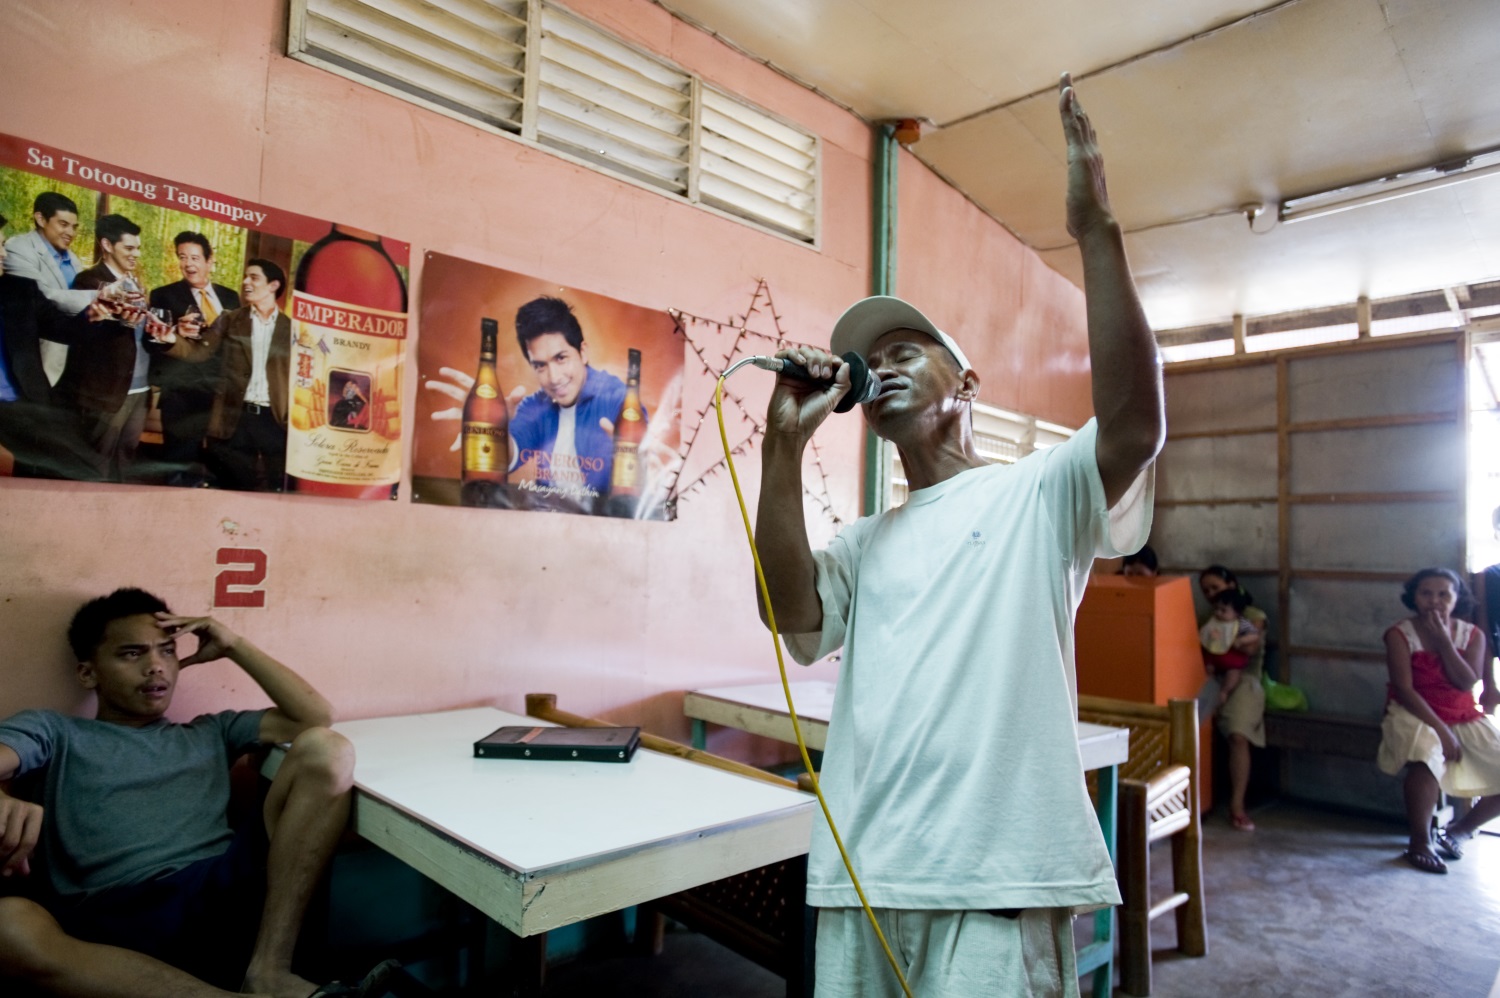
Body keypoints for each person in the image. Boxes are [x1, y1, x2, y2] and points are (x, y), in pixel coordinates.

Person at [753, 74, 1162, 997]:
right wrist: (785, 443)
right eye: (876, 358)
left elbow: (1135, 426)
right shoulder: (868, 541)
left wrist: (1096, 234)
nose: (886, 367)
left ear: (967, 385)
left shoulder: (1040, 493)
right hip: (867, 875)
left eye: (910, 352)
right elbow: (791, 609)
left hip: (997, 881)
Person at [0, 587, 367, 997]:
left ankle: (269, 970)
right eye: (132, 654)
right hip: (116, 914)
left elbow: (315, 716)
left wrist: (234, 645)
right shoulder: (56, 732)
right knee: (8, 922)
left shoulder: (209, 732)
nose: (156, 667)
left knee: (326, 749)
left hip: (222, 891)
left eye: (168, 651)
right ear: (88, 673)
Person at [1377, 568, 1500, 874]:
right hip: (1412, 710)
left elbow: (1465, 682)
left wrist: (1444, 642)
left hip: (1461, 710)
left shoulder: (1472, 634)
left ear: (1456, 598)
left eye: (1444, 594)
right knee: (1425, 751)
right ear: (1413, 598)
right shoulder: (1399, 634)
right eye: (1426, 593)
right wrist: (1442, 731)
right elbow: (1404, 690)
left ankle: (1459, 830)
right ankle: (1420, 842)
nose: (1435, 601)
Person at [153, 259, 291, 491]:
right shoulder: (229, 319)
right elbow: (198, 353)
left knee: (276, 487)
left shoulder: (293, 329)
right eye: (245, 276)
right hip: (236, 418)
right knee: (235, 485)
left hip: (274, 421)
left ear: (273, 285)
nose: (246, 282)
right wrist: (169, 339)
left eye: (254, 277)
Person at [0, 218, 115, 481]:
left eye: (3, 245)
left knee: (84, 468)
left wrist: (92, 315)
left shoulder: (20, 290)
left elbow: (63, 328)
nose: (3, 254)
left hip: (22, 402)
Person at [507, 295, 637, 508]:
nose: (554, 377)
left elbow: (647, 467)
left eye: (561, 358)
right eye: (540, 366)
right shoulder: (537, 403)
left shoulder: (618, 399)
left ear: (583, 352)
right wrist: (492, 429)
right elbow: (509, 452)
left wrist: (630, 456)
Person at [61, 214, 161, 482]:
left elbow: (140, 332)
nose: (136, 254)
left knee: (125, 462)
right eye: (129, 248)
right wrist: (121, 324)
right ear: (106, 245)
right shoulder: (89, 282)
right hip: (107, 392)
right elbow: (85, 335)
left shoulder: (135, 283)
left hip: (139, 392)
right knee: (96, 465)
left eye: (137, 248)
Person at [148, 232, 241, 486]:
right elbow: (151, 344)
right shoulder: (163, 295)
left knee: (217, 463)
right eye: (182, 257)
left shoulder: (231, 297)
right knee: (178, 465)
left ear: (210, 261)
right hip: (182, 397)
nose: (188, 264)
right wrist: (175, 331)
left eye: (195, 258)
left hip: (222, 395)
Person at [1197, 565, 1266, 831]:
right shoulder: (1208, 618)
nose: (1211, 594)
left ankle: (1237, 806)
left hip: (1244, 678)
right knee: (1191, 726)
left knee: (1238, 736)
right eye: (1206, 591)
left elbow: (1251, 643)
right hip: (1211, 677)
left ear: (1232, 585)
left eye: (1216, 588)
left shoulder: (1252, 616)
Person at [1, 193, 95, 385]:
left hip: (69, 362)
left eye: (74, 226)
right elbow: (41, 297)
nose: (71, 232)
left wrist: (97, 311)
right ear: (41, 219)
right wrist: (98, 297)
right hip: (40, 364)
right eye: (63, 224)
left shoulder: (73, 259)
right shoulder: (17, 248)